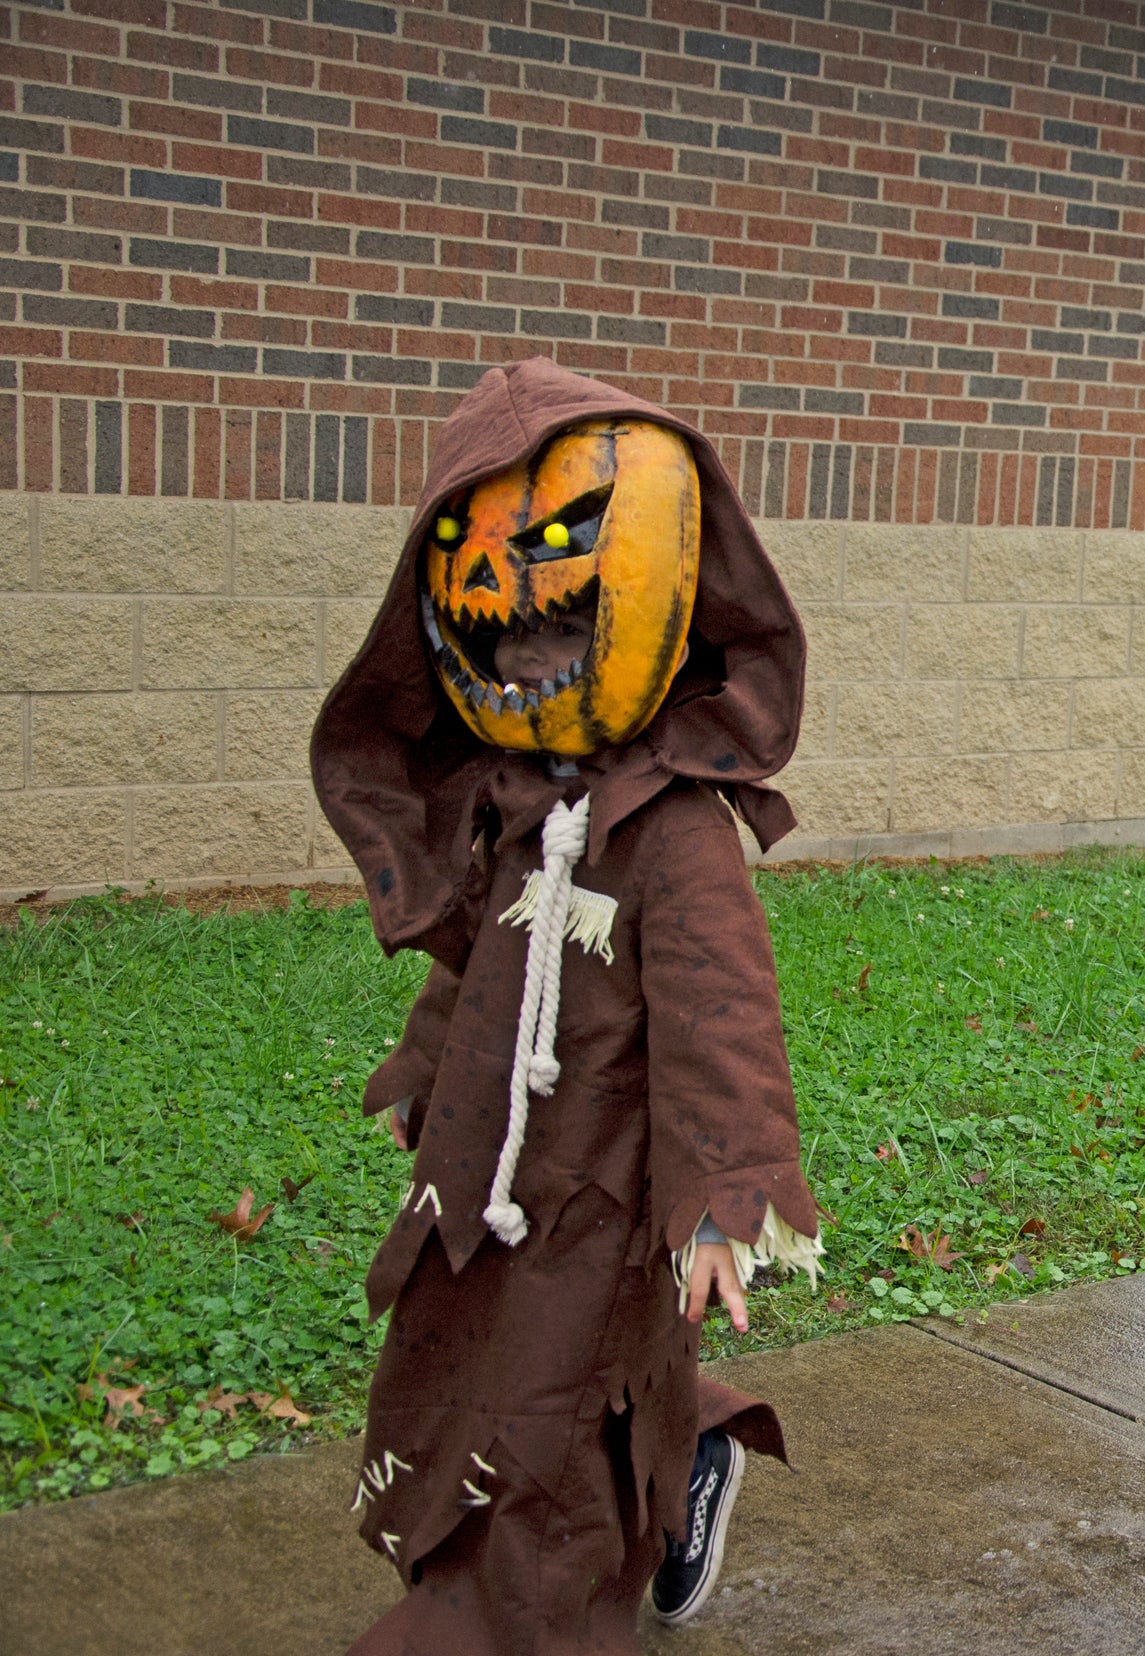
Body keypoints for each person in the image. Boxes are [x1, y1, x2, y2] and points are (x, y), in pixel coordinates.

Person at [311, 358, 827, 1649]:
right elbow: (483, 964)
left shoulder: (675, 835)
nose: (506, 591)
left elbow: (723, 1019)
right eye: (471, 553)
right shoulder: (511, 801)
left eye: (555, 549)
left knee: (547, 1406)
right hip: (497, 1164)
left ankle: (506, 1621)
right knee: (509, 1364)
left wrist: (724, 1197)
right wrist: (431, 1072)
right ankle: (694, 1446)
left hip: (610, 1174)